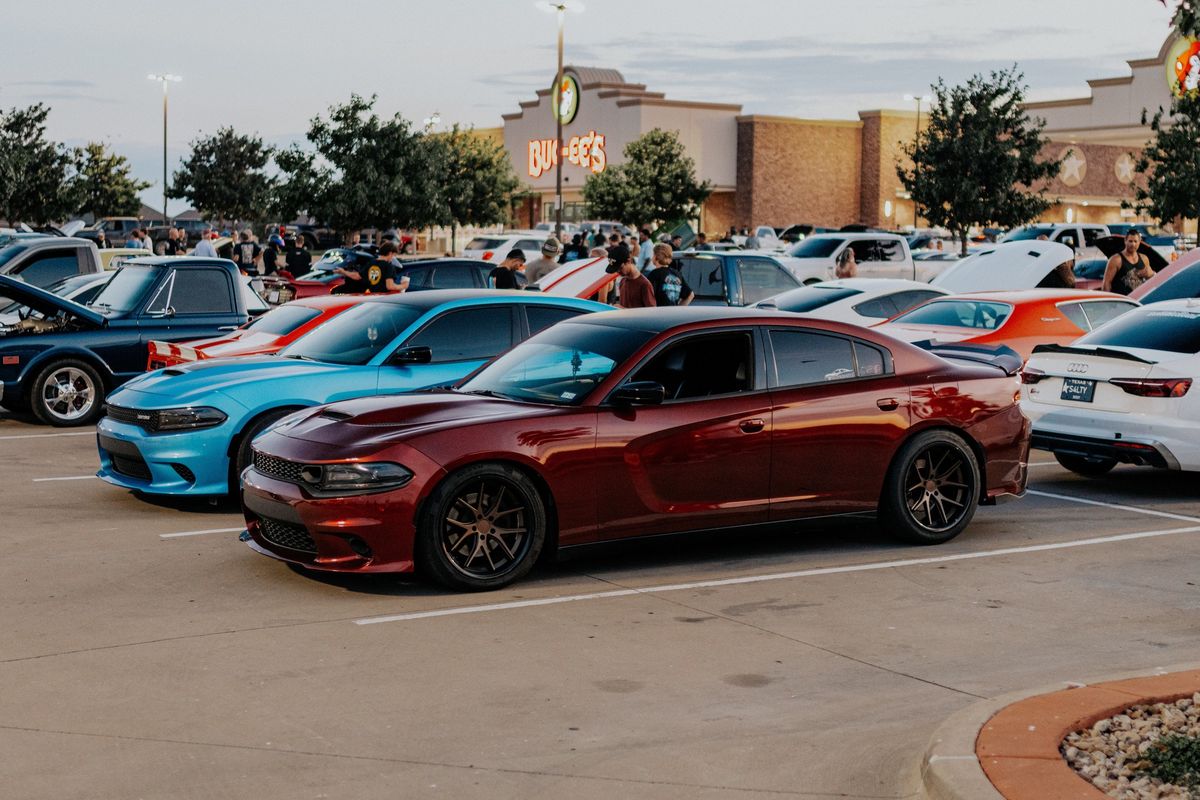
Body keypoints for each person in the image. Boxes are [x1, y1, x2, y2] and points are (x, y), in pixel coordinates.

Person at [334, 242, 405, 293]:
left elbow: (357, 276)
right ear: (390, 253)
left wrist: (343, 272)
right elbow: (390, 286)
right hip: (384, 298)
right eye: (394, 255)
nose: (393, 258)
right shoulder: (389, 266)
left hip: (372, 297)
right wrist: (403, 286)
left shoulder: (371, 263)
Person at [1102, 229, 1154, 295]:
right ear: (1125, 241)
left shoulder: (1144, 258)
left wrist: (1151, 274)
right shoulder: (1116, 259)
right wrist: (1108, 301)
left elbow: (1151, 280)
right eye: (1130, 241)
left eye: (1135, 241)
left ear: (1139, 242)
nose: (1133, 244)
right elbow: (1106, 283)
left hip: (1139, 300)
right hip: (1122, 301)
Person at [608, 243, 655, 308]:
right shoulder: (623, 281)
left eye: (620, 268)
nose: (618, 272)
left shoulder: (644, 284)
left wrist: (624, 311)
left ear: (628, 261)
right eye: (616, 269)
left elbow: (651, 312)